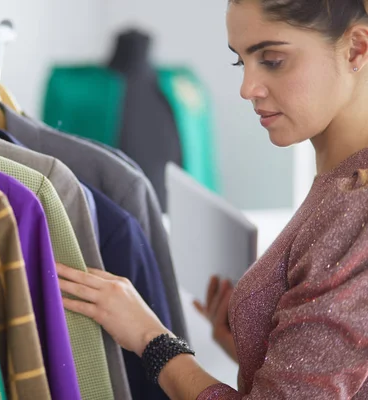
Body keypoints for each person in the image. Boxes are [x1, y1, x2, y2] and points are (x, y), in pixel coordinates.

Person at [56, 0, 368, 399]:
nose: (246, 89)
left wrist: (151, 339)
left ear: (356, 49)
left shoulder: (354, 206)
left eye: (272, 60)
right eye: (241, 62)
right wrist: (251, 345)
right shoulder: (339, 179)